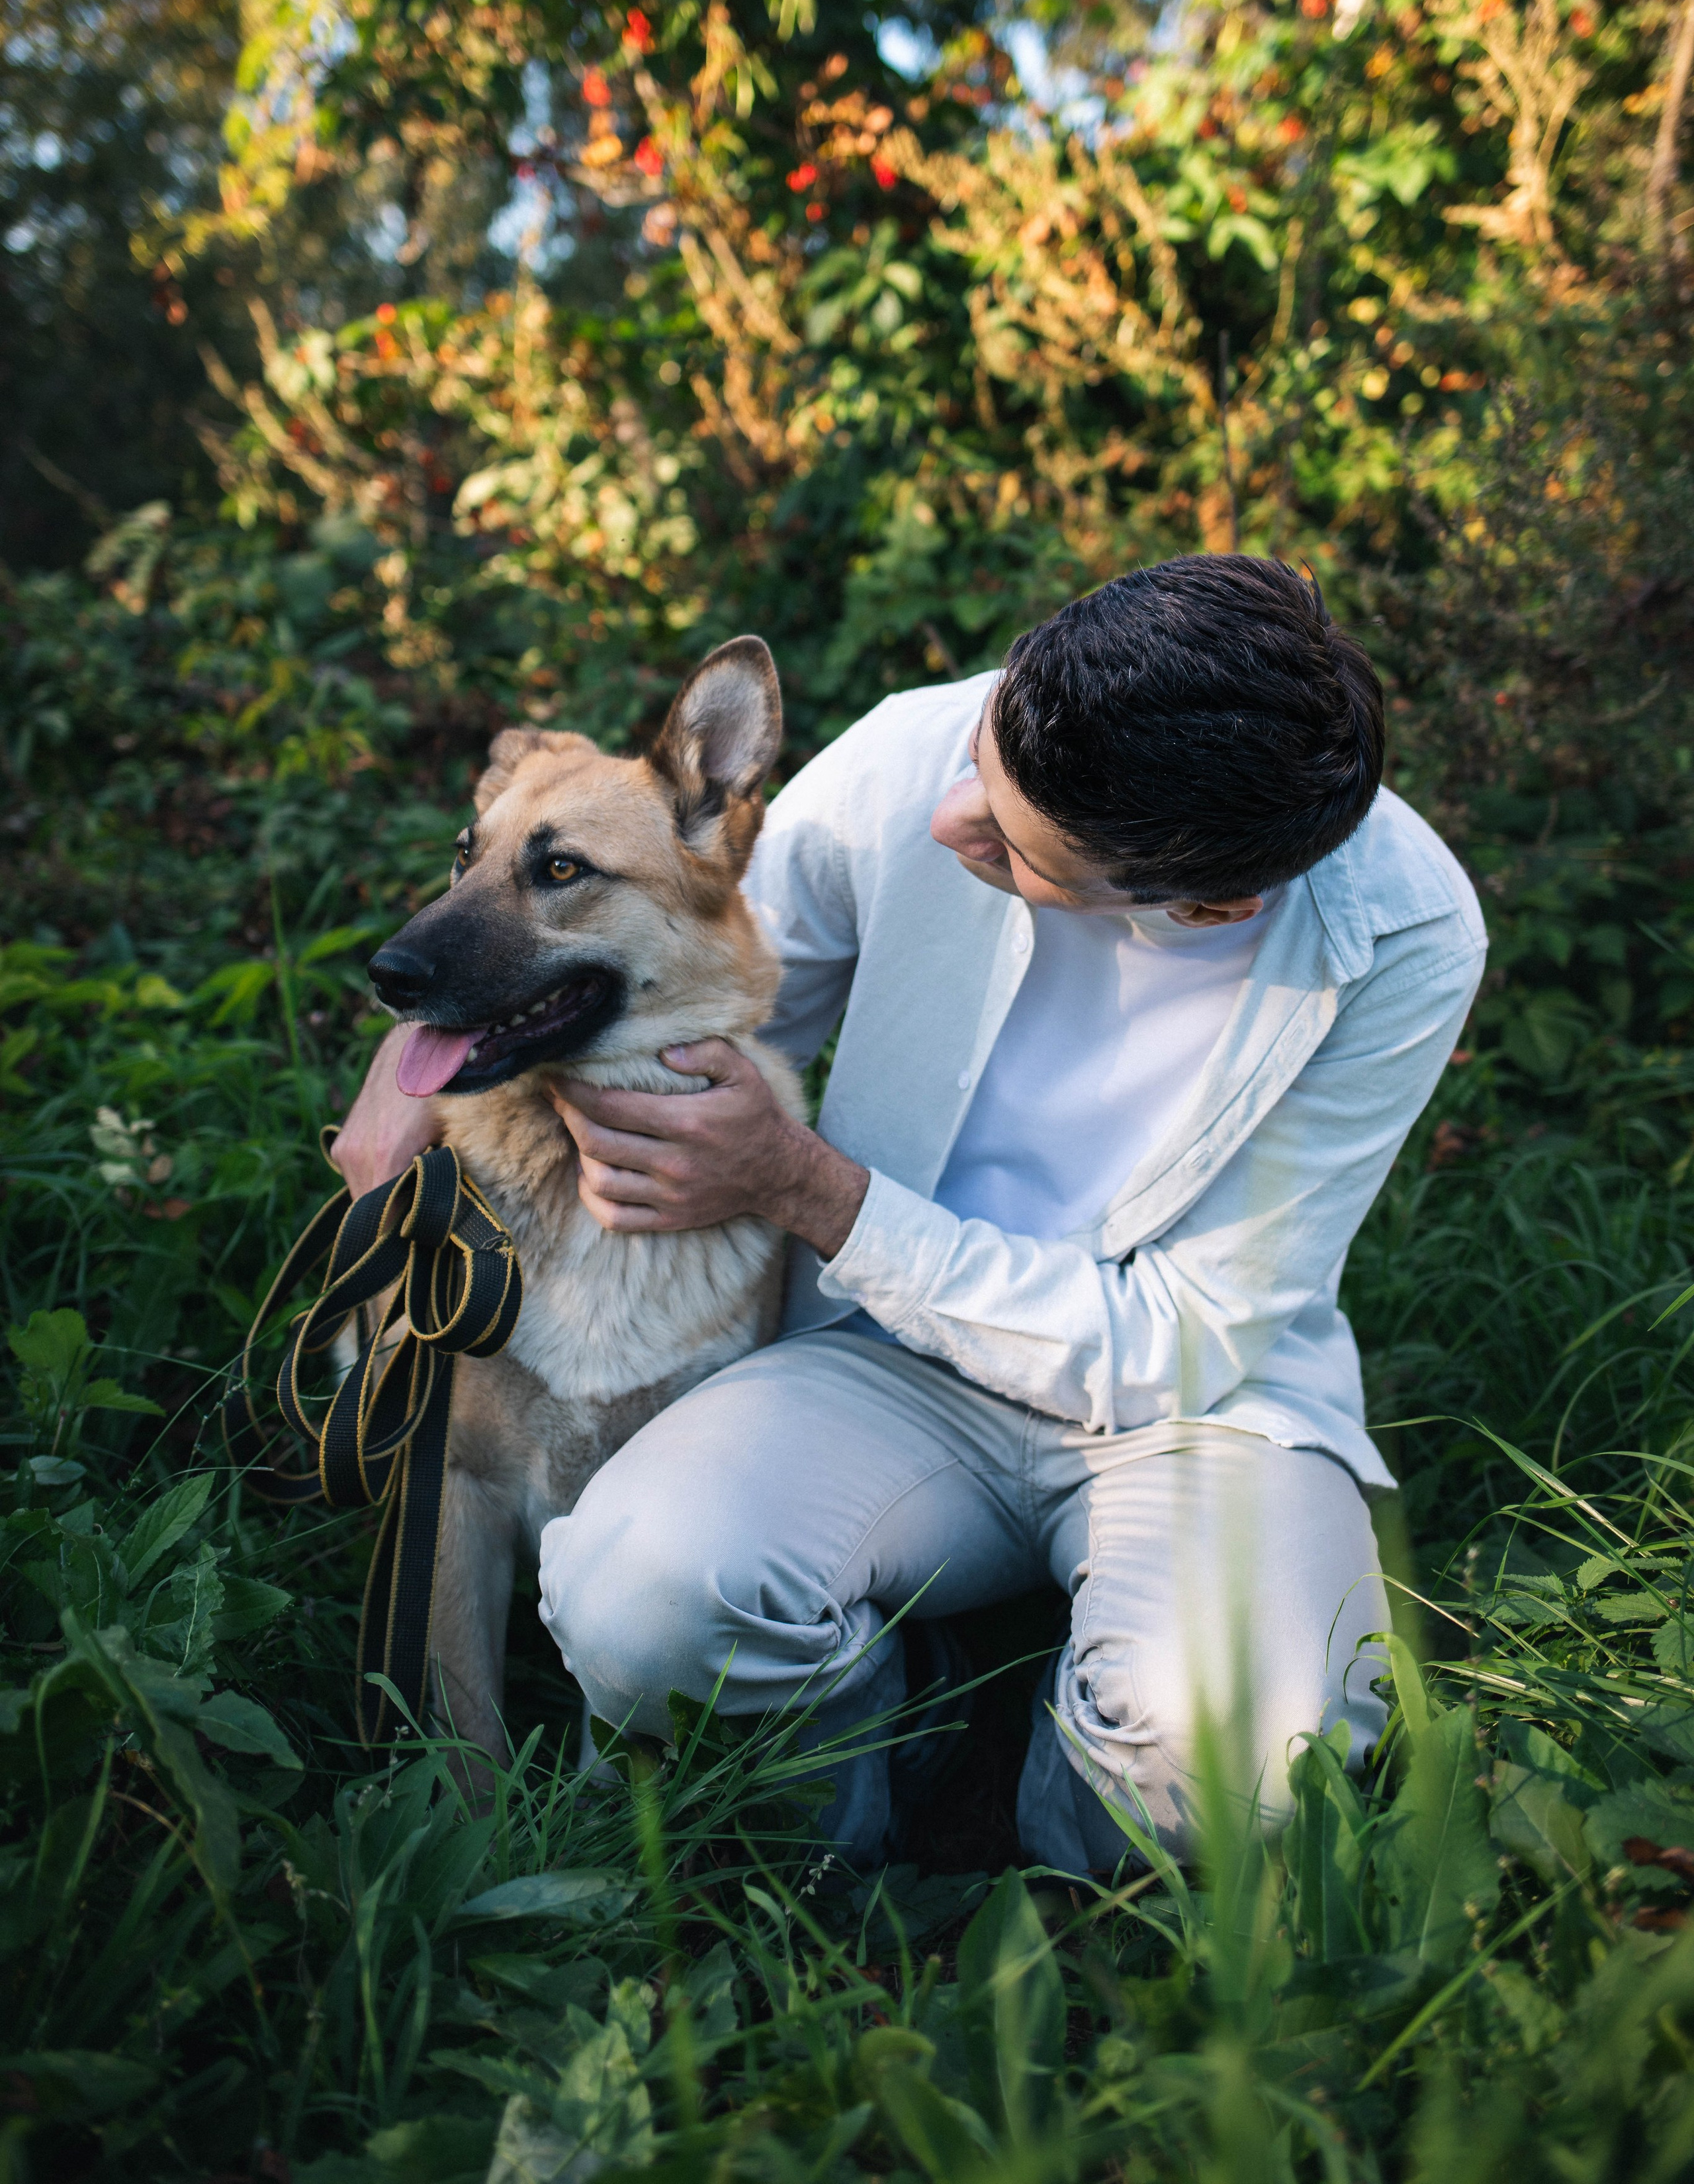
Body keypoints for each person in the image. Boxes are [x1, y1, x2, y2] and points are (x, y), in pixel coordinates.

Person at [332, 555, 1486, 1872]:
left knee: (1245, 1763)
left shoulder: (1401, 932)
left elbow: (1189, 1332)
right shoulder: (918, 757)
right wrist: (432, 1040)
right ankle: (849, 1823)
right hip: (876, 1361)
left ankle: (1055, 1892)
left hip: (1195, 1400)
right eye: (980, 757)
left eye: (1008, 846)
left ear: (1209, 905)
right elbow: (673, 963)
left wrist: (804, 1187)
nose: (949, 821)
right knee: (644, 1590)